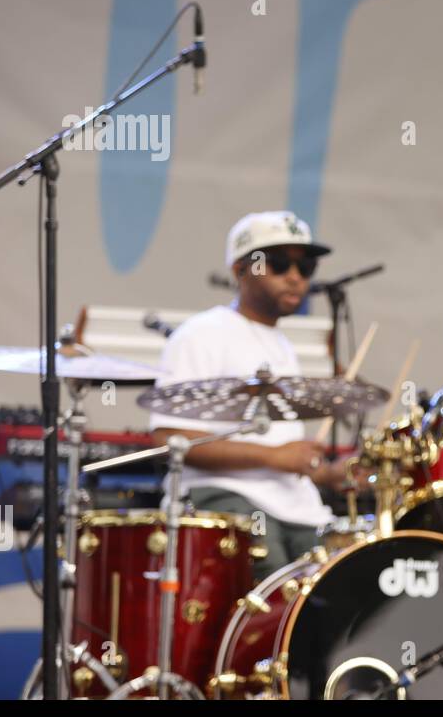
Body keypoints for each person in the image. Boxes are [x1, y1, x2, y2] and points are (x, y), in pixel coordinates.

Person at [150, 210, 351, 581]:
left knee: (339, 581)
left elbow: (282, 453)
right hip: (225, 497)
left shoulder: (284, 345)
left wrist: (327, 473)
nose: (295, 276)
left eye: (305, 267)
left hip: (297, 507)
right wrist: (275, 457)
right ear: (241, 270)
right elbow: (169, 438)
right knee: (274, 594)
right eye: (279, 264)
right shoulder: (202, 333)